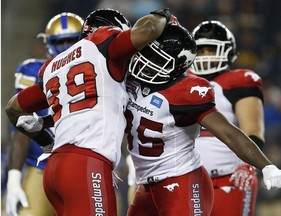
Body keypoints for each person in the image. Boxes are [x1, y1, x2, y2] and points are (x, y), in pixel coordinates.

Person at [5, 8, 174, 216]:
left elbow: (13, 108)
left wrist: (43, 137)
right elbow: (149, 28)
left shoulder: (53, 65)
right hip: (86, 164)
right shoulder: (105, 43)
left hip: (55, 169)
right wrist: (163, 15)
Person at [123, 22, 281, 215]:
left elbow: (231, 133)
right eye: (149, 54)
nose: (148, 62)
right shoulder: (132, 81)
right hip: (148, 182)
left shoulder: (190, 90)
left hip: (197, 178)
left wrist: (263, 165)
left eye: (211, 50)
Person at [5, 12, 84, 216]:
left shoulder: (99, 70)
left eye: (71, 40)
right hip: (41, 167)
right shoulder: (32, 71)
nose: (66, 47)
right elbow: (21, 128)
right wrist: (13, 180)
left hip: (84, 167)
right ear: (48, 43)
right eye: (61, 41)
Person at [189, 20, 265, 216]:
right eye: (201, 50)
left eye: (211, 50)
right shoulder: (182, 83)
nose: (205, 56)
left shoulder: (239, 81)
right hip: (188, 179)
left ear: (227, 53)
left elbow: (253, 130)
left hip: (230, 178)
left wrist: (248, 164)